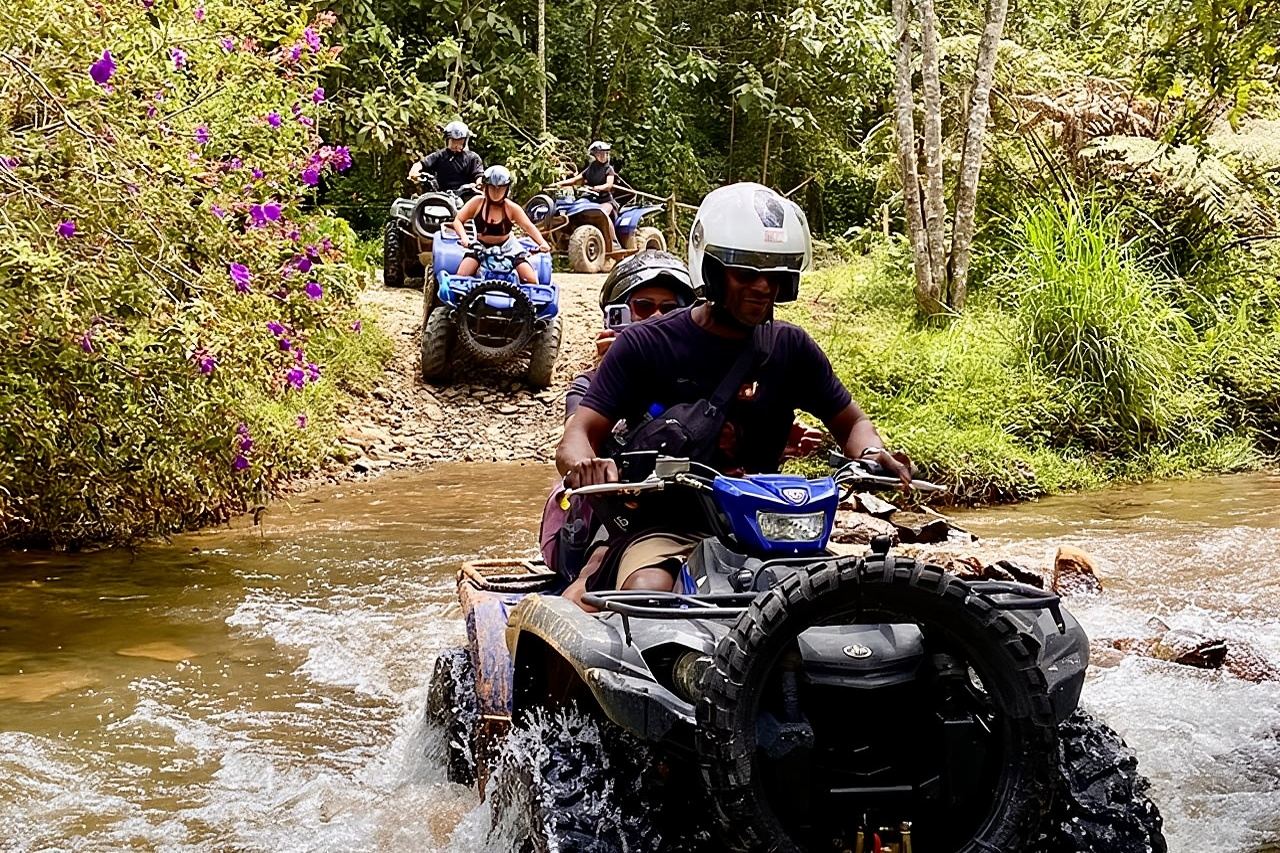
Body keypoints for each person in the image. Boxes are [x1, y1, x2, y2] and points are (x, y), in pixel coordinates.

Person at [555, 182, 912, 604]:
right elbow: (578, 434)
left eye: (774, 275)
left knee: (851, 606)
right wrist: (585, 466)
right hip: (668, 525)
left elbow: (850, 421)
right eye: (746, 273)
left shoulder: (791, 348)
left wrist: (871, 454)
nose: (762, 287)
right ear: (712, 270)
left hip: (770, 523)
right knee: (647, 594)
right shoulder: (645, 345)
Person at [450, 165, 551, 284]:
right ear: (485, 187)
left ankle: (530, 302)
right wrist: (464, 238)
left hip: (509, 249)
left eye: (500, 188)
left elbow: (528, 226)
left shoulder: (511, 208)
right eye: (492, 188)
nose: (496, 192)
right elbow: (458, 220)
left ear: (507, 189)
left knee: (530, 279)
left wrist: (542, 243)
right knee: (461, 275)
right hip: (480, 248)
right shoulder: (476, 203)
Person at [550, 141, 619, 239]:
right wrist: (557, 184)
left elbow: (609, 185)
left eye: (606, 153)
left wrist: (599, 187)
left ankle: (613, 241)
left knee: (602, 214)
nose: (604, 156)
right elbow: (575, 179)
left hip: (604, 200)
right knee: (574, 210)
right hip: (590, 199)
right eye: (600, 153)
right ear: (595, 155)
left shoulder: (609, 169)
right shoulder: (591, 167)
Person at [407, 121, 483, 192]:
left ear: (465, 142)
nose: (456, 145)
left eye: (460, 142)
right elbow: (421, 164)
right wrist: (414, 172)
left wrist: (478, 184)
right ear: (447, 140)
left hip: (466, 195)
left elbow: (478, 175)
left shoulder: (472, 158)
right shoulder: (440, 155)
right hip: (442, 196)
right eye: (453, 142)